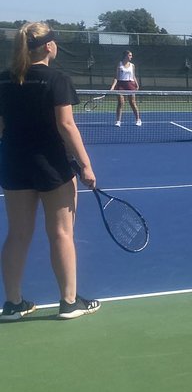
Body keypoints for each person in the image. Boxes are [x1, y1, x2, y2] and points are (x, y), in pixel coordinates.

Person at [0, 22, 101, 320]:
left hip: (14, 165)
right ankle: (69, 302)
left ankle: (13, 303)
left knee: (17, 235)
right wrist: (86, 165)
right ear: (48, 46)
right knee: (61, 233)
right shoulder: (57, 79)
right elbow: (66, 125)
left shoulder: (3, 80)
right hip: (52, 167)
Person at [109, 49, 142, 127]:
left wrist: (137, 84)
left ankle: (138, 119)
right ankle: (118, 121)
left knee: (132, 103)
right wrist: (112, 87)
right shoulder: (119, 64)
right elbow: (116, 77)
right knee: (120, 103)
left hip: (130, 84)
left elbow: (133, 76)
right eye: (130, 55)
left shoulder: (132, 65)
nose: (131, 57)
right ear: (126, 56)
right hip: (121, 84)